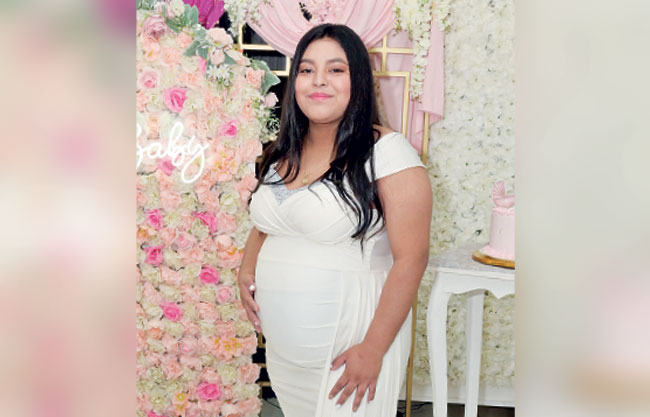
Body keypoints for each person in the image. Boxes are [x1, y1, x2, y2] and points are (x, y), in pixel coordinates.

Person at [237, 24, 432, 417]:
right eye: (307, 70)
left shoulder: (388, 153)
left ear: (358, 79)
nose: (318, 81)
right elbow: (271, 221)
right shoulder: (284, 152)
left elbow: (412, 259)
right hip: (286, 354)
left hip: (353, 351)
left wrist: (373, 350)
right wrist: (247, 266)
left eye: (336, 69)